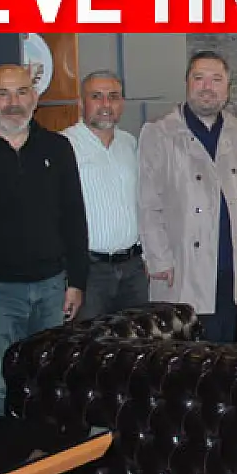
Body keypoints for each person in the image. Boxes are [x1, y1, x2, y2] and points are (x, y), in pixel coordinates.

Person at [0, 64, 87, 417]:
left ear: (35, 97)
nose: (14, 102)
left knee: (51, 381)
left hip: (52, 288)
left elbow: (74, 216)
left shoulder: (57, 147)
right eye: (3, 93)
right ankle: (2, 453)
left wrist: (77, 281)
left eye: (22, 92)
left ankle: (44, 450)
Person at [139, 50, 237, 343]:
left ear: (227, 88)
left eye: (216, 79)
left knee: (226, 349)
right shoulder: (159, 131)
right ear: (187, 83)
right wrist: (158, 259)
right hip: (183, 266)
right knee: (188, 354)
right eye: (199, 78)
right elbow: (148, 203)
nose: (207, 87)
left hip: (231, 264)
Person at [62, 71, 148, 320]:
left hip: (133, 269)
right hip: (90, 272)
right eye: (96, 97)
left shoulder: (130, 143)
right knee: (89, 341)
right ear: (81, 103)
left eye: (113, 97)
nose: (106, 104)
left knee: (136, 341)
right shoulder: (64, 145)